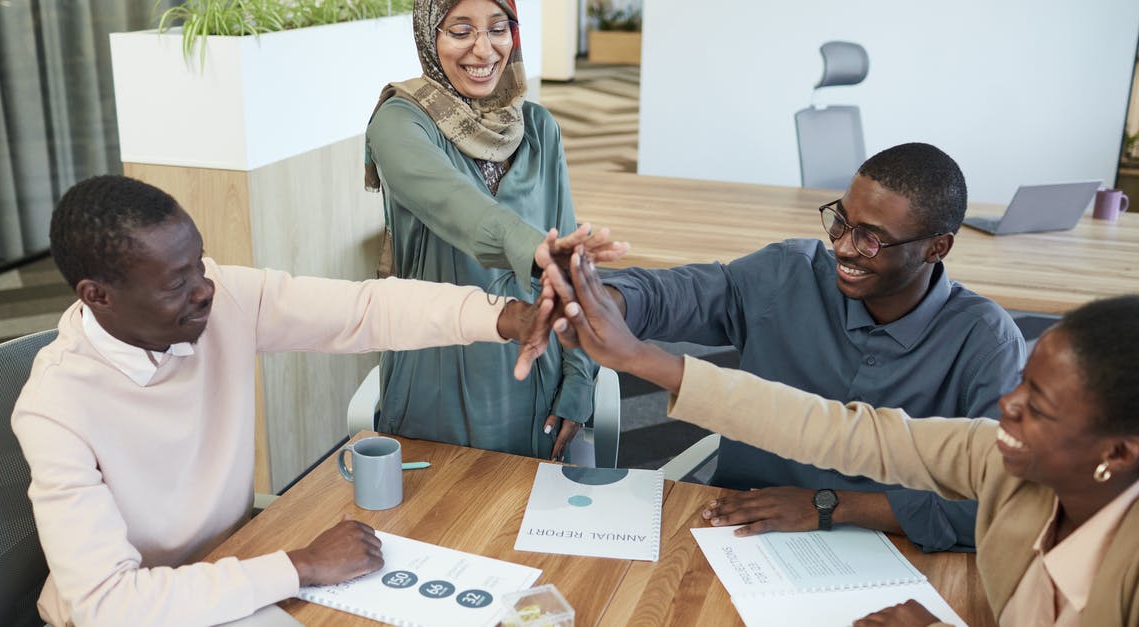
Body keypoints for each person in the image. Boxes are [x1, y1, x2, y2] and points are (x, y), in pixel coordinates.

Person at [11, 175, 558, 626]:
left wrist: (506, 316)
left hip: (232, 566)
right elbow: (104, 602)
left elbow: (362, 310)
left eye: (200, 263)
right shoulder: (55, 407)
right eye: (177, 283)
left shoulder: (222, 299)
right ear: (97, 296)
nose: (204, 288)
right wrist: (301, 565)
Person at [548, 251, 1139, 626]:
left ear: (1117, 452)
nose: (1007, 406)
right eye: (1023, 385)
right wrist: (645, 360)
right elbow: (830, 430)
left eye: (1037, 406)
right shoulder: (996, 456)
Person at [594, 143, 1026, 551]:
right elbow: (676, 293)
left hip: (898, 552)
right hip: (737, 529)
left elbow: (1001, 504)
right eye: (840, 220)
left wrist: (832, 505)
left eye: (870, 239)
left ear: (937, 247)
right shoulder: (789, 274)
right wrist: (607, 303)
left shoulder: (986, 342)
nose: (841, 246)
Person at [364, 0, 625, 461]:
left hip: (534, 373)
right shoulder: (400, 122)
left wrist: (580, 379)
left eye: (498, 29)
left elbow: (571, 266)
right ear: (430, 35)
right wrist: (537, 252)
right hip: (436, 377)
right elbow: (458, 207)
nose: (484, 50)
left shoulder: (539, 128)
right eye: (461, 31)